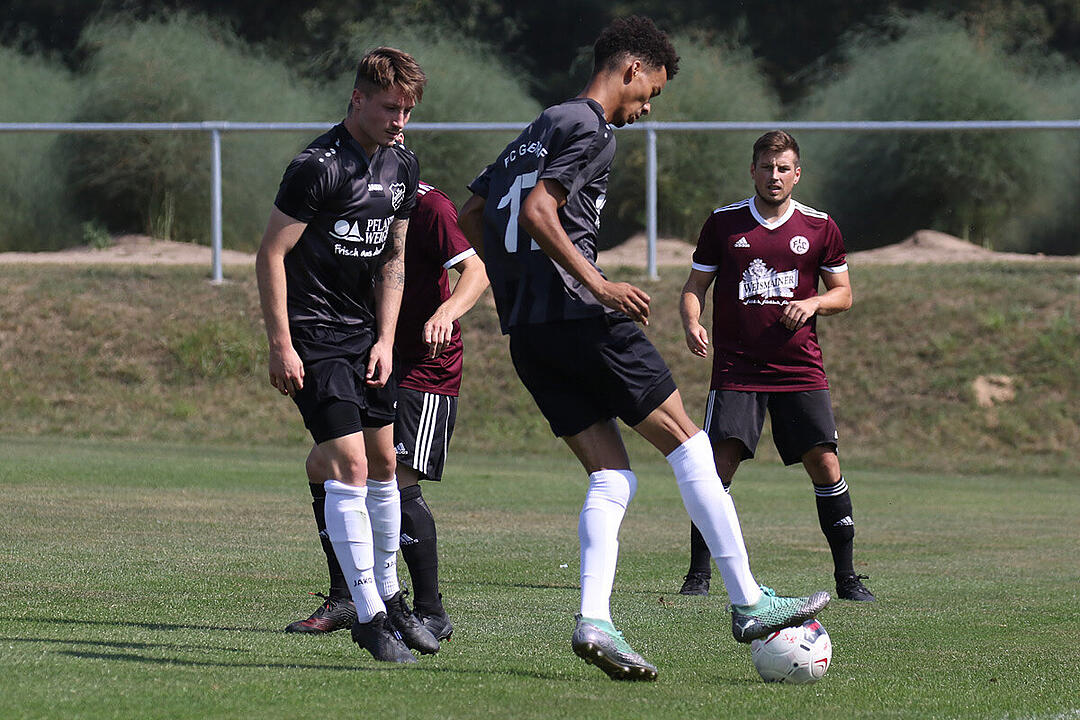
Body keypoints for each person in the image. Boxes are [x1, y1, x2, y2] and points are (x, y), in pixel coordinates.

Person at [457, 16, 830, 682]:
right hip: (583, 318)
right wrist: (597, 284)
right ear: (630, 69)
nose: (647, 108)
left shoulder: (537, 128)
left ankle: (594, 619)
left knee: (611, 476)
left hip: (530, 334)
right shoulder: (589, 125)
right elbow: (540, 211)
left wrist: (518, 285)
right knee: (690, 445)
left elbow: (472, 215)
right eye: (650, 91)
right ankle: (749, 601)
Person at [255, 47, 439, 663]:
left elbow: (394, 257)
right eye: (389, 108)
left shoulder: (403, 165)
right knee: (351, 467)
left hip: (365, 335)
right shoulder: (316, 167)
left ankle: (390, 597)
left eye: (407, 111)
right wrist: (281, 344)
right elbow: (270, 254)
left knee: (386, 464)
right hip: (314, 335)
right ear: (357, 99)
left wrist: (386, 338)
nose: (399, 121)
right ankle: (368, 614)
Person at [284, 178, 488, 642]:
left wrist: (445, 313)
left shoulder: (429, 205)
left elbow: (476, 272)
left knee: (396, 476)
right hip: (371, 352)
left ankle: (430, 611)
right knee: (323, 466)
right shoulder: (347, 196)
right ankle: (346, 598)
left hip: (424, 363)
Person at [677, 130, 875, 603]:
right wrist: (691, 322)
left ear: (797, 174)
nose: (774, 176)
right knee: (717, 467)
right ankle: (698, 576)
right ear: (753, 170)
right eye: (766, 167)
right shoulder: (724, 223)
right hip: (737, 369)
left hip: (799, 369)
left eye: (783, 168)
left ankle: (848, 578)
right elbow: (694, 287)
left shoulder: (819, 227)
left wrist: (813, 303)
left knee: (825, 463)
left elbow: (844, 294)